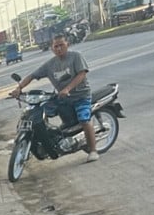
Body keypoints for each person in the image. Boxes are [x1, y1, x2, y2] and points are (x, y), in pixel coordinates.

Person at [8, 34, 98, 162]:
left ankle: (93, 150)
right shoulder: (50, 65)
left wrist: (67, 89)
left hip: (80, 96)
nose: (59, 48)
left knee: (84, 119)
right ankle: (49, 141)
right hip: (62, 98)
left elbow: (82, 74)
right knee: (39, 113)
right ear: (52, 48)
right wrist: (19, 88)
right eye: (56, 46)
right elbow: (32, 76)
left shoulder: (76, 57)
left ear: (67, 44)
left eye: (61, 45)